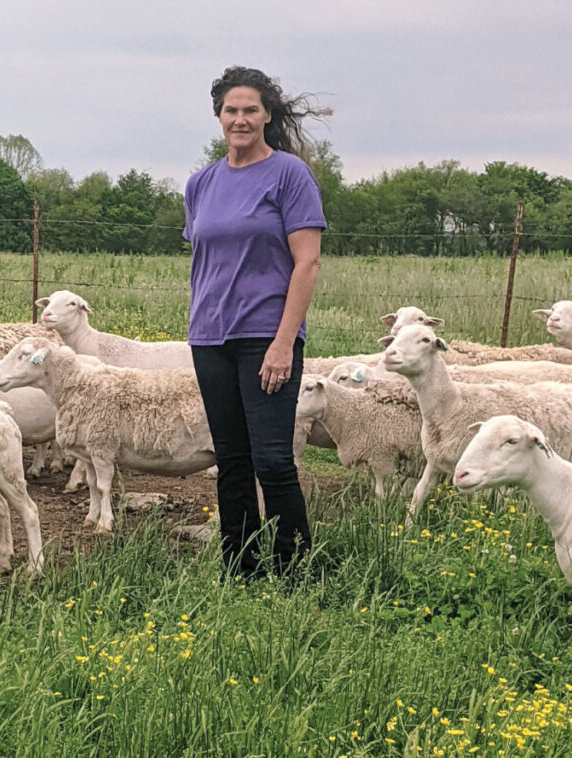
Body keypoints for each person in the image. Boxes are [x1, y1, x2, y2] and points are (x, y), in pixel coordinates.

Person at [184, 66, 327, 579]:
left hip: (266, 335)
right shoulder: (201, 183)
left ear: (267, 115)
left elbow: (306, 263)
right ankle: (240, 570)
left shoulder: (289, 175)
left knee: (272, 460)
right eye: (231, 110)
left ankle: (298, 572)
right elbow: (208, 260)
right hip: (209, 338)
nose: (240, 119)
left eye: (250, 110)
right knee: (232, 462)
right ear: (218, 116)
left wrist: (283, 342)